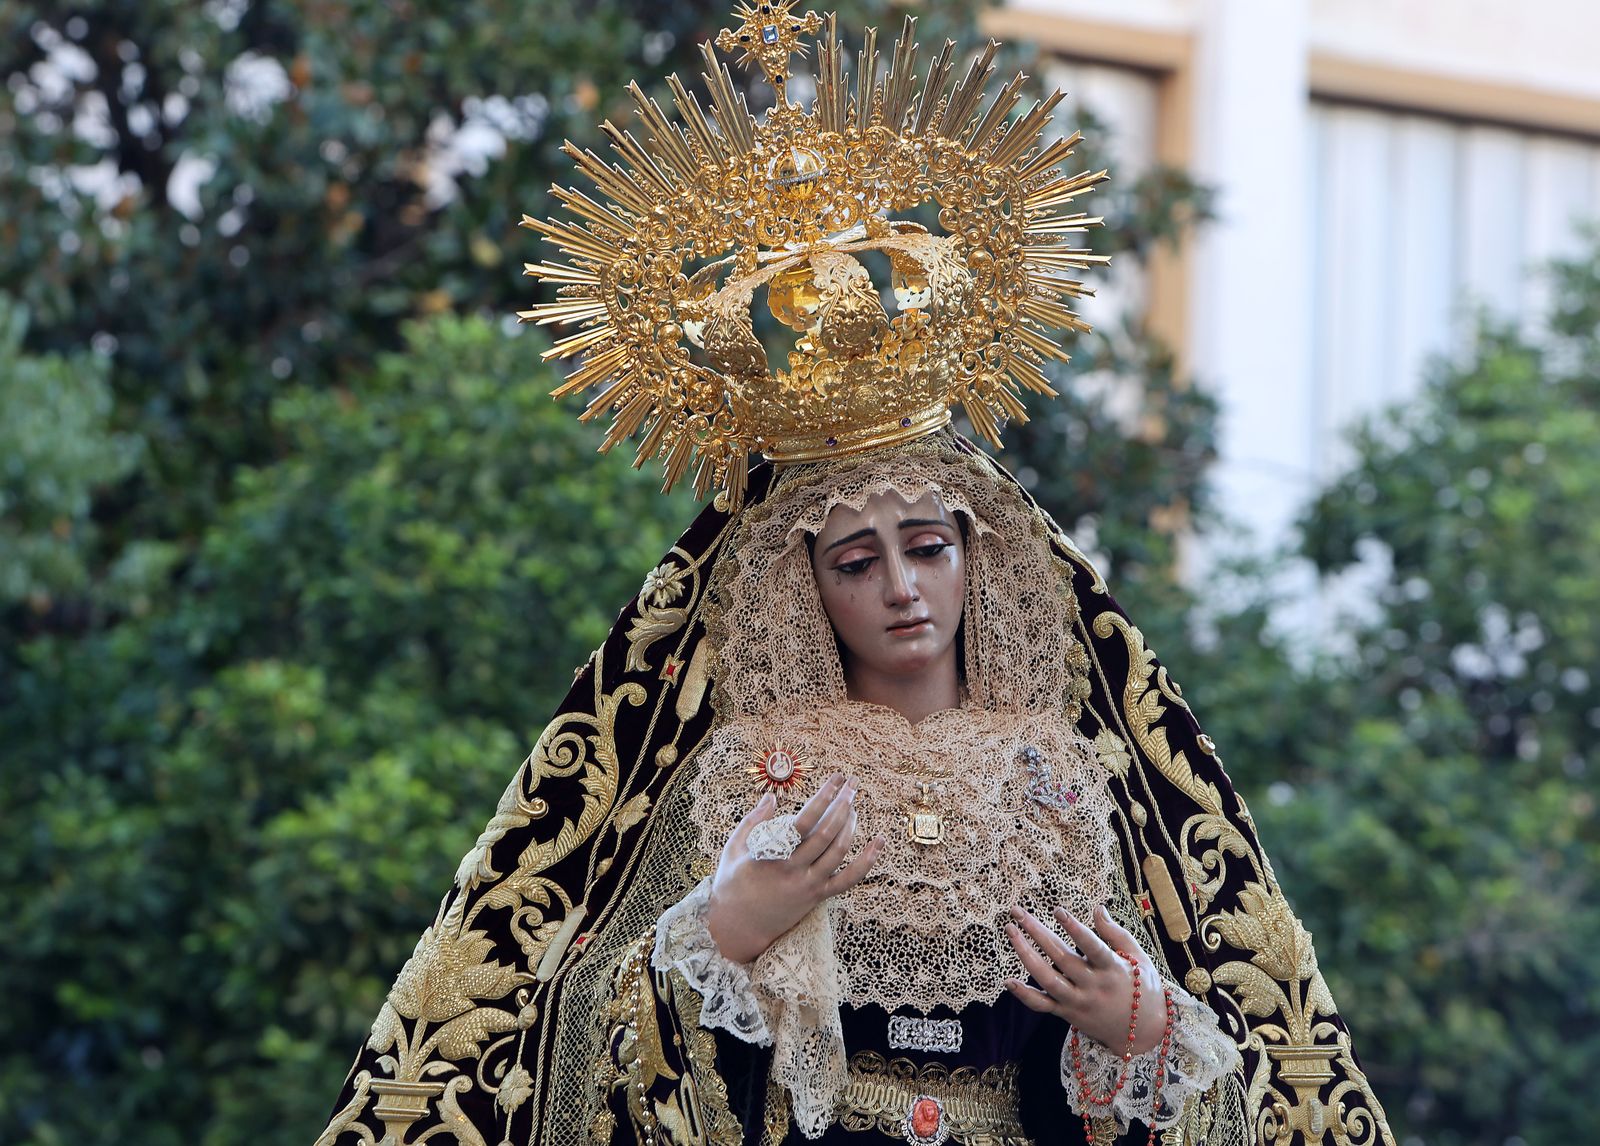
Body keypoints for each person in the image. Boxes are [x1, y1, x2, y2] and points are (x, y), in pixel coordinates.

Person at [318, 5, 1393, 1143]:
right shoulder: (742, 786)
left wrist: (1140, 1030)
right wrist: (725, 929)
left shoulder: (1067, 784)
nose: (901, 588)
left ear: (979, 556)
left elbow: (1205, 1074)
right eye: (855, 559)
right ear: (803, 587)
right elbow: (575, 1032)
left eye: (928, 548)